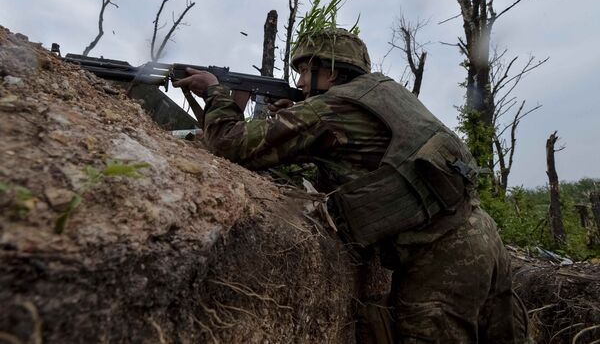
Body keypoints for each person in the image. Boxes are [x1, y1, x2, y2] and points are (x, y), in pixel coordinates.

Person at [173, 28, 530, 343]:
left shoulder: (329, 110)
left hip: (442, 258)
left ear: (327, 71)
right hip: (482, 235)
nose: (298, 82)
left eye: (303, 70)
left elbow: (230, 145)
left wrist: (216, 94)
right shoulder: (384, 93)